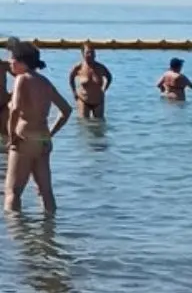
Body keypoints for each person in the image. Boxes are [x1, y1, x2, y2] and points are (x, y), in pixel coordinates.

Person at [5, 41, 73, 213]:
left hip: (24, 139)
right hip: (43, 139)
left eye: (12, 59)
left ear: (21, 62)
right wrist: (51, 133)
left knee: (13, 191)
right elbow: (66, 110)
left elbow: (15, 110)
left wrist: (12, 136)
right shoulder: (45, 82)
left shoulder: (22, 79)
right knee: (45, 191)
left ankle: (13, 235)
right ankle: (49, 232)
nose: (9, 63)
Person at [68, 43, 112, 119]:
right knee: (84, 125)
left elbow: (109, 77)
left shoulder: (100, 67)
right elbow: (71, 78)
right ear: (83, 54)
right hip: (84, 100)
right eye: (88, 52)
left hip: (98, 101)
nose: (90, 55)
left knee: (99, 125)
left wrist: (104, 90)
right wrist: (74, 92)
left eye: (92, 52)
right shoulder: (79, 67)